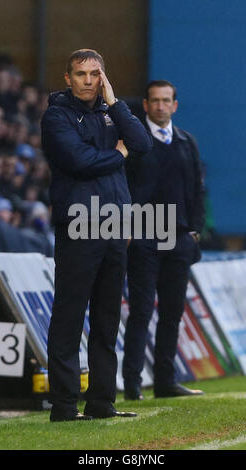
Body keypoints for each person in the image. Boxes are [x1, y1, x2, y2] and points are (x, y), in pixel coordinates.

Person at [41, 49, 152, 422]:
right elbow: (80, 162)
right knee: (70, 316)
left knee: (106, 319)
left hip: (114, 226)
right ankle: (64, 406)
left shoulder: (110, 113)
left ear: (103, 77)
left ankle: (102, 402)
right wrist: (119, 155)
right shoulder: (56, 116)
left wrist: (116, 103)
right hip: (78, 224)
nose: (88, 80)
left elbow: (144, 143)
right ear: (67, 78)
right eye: (81, 74)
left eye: (95, 74)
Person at [122, 80, 205, 400]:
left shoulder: (187, 142)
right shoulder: (133, 142)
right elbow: (122, 189)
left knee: (172, 313)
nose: (160, 106)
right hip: (143, 238)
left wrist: (194, 230)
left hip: (180, 239)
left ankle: (165, 382)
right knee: (141, 312)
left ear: (175, 105)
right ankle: (131, 384)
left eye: (165, 100)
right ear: (144, 105)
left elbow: (197, 190)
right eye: (154, 100)